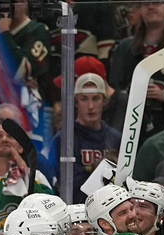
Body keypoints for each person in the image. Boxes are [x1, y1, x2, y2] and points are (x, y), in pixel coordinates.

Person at [107, 1, 164, 143]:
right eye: (145, 4)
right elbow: (114, 86)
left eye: (156, 3)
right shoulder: (125, 48)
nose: (150, 7)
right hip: (131, 125)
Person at [51, 74, 121, 204]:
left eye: (96, 99)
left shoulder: (116, 138)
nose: (90, 106)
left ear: (104, 102)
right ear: (76, 102)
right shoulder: (64, 140)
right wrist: (99, 172)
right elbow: (68, 187)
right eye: (84, 99)